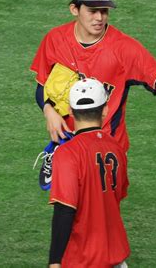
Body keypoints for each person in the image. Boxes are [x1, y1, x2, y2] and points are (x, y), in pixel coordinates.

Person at [30, 0, 156, 186]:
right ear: (74, 9)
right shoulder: (54, 40)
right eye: (92, 10)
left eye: (104, 11)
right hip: (68, 144)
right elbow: (41, 88)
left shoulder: (124, 49)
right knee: (67, 211)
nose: (99, 17)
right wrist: (48, 111)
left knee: (98, 213)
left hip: (107, 149)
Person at [48, 78, 129, 267]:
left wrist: (54, 261)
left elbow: (64, 210)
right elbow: (117, 194)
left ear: (70, 110)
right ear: (105, 111)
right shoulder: (117, 148)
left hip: (83, 259)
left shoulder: (68, 153)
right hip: (116, 256)